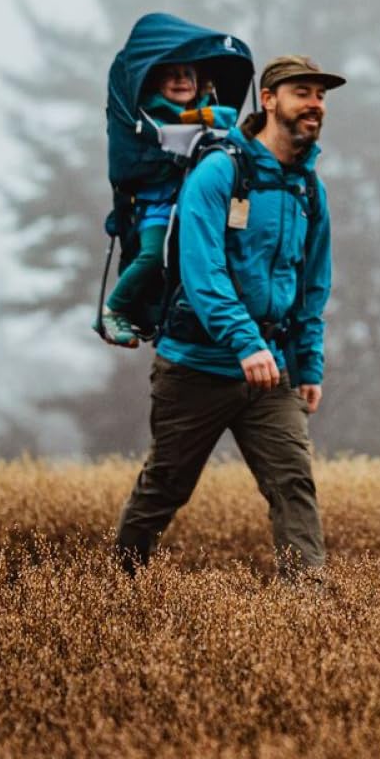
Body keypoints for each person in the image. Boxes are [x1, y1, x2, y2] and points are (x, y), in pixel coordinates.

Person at [114, 53, 345, 577]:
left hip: (271, 371)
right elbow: (202, 273)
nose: (315, 105)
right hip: (197, 364)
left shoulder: (308, 188)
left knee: (294, 485)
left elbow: (313, 283)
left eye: (321, 96)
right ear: (268, 100)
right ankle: (117, 589)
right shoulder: (221, 170)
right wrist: (245, 343)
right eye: (302, 93)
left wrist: (307, 366)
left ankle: (305, 611)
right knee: (165, 488)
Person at [97, 60, 237, 348]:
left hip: (194, 204)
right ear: (157, 83)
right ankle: (113, 309)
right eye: (171, 76)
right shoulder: (148, 113)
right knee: (152, 255)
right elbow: (162, 135)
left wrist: (198, 118)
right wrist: (193, 123)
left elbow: (229, 118)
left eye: (188, 74)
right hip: (157, 205)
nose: (181, 80)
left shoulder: (209, 108)